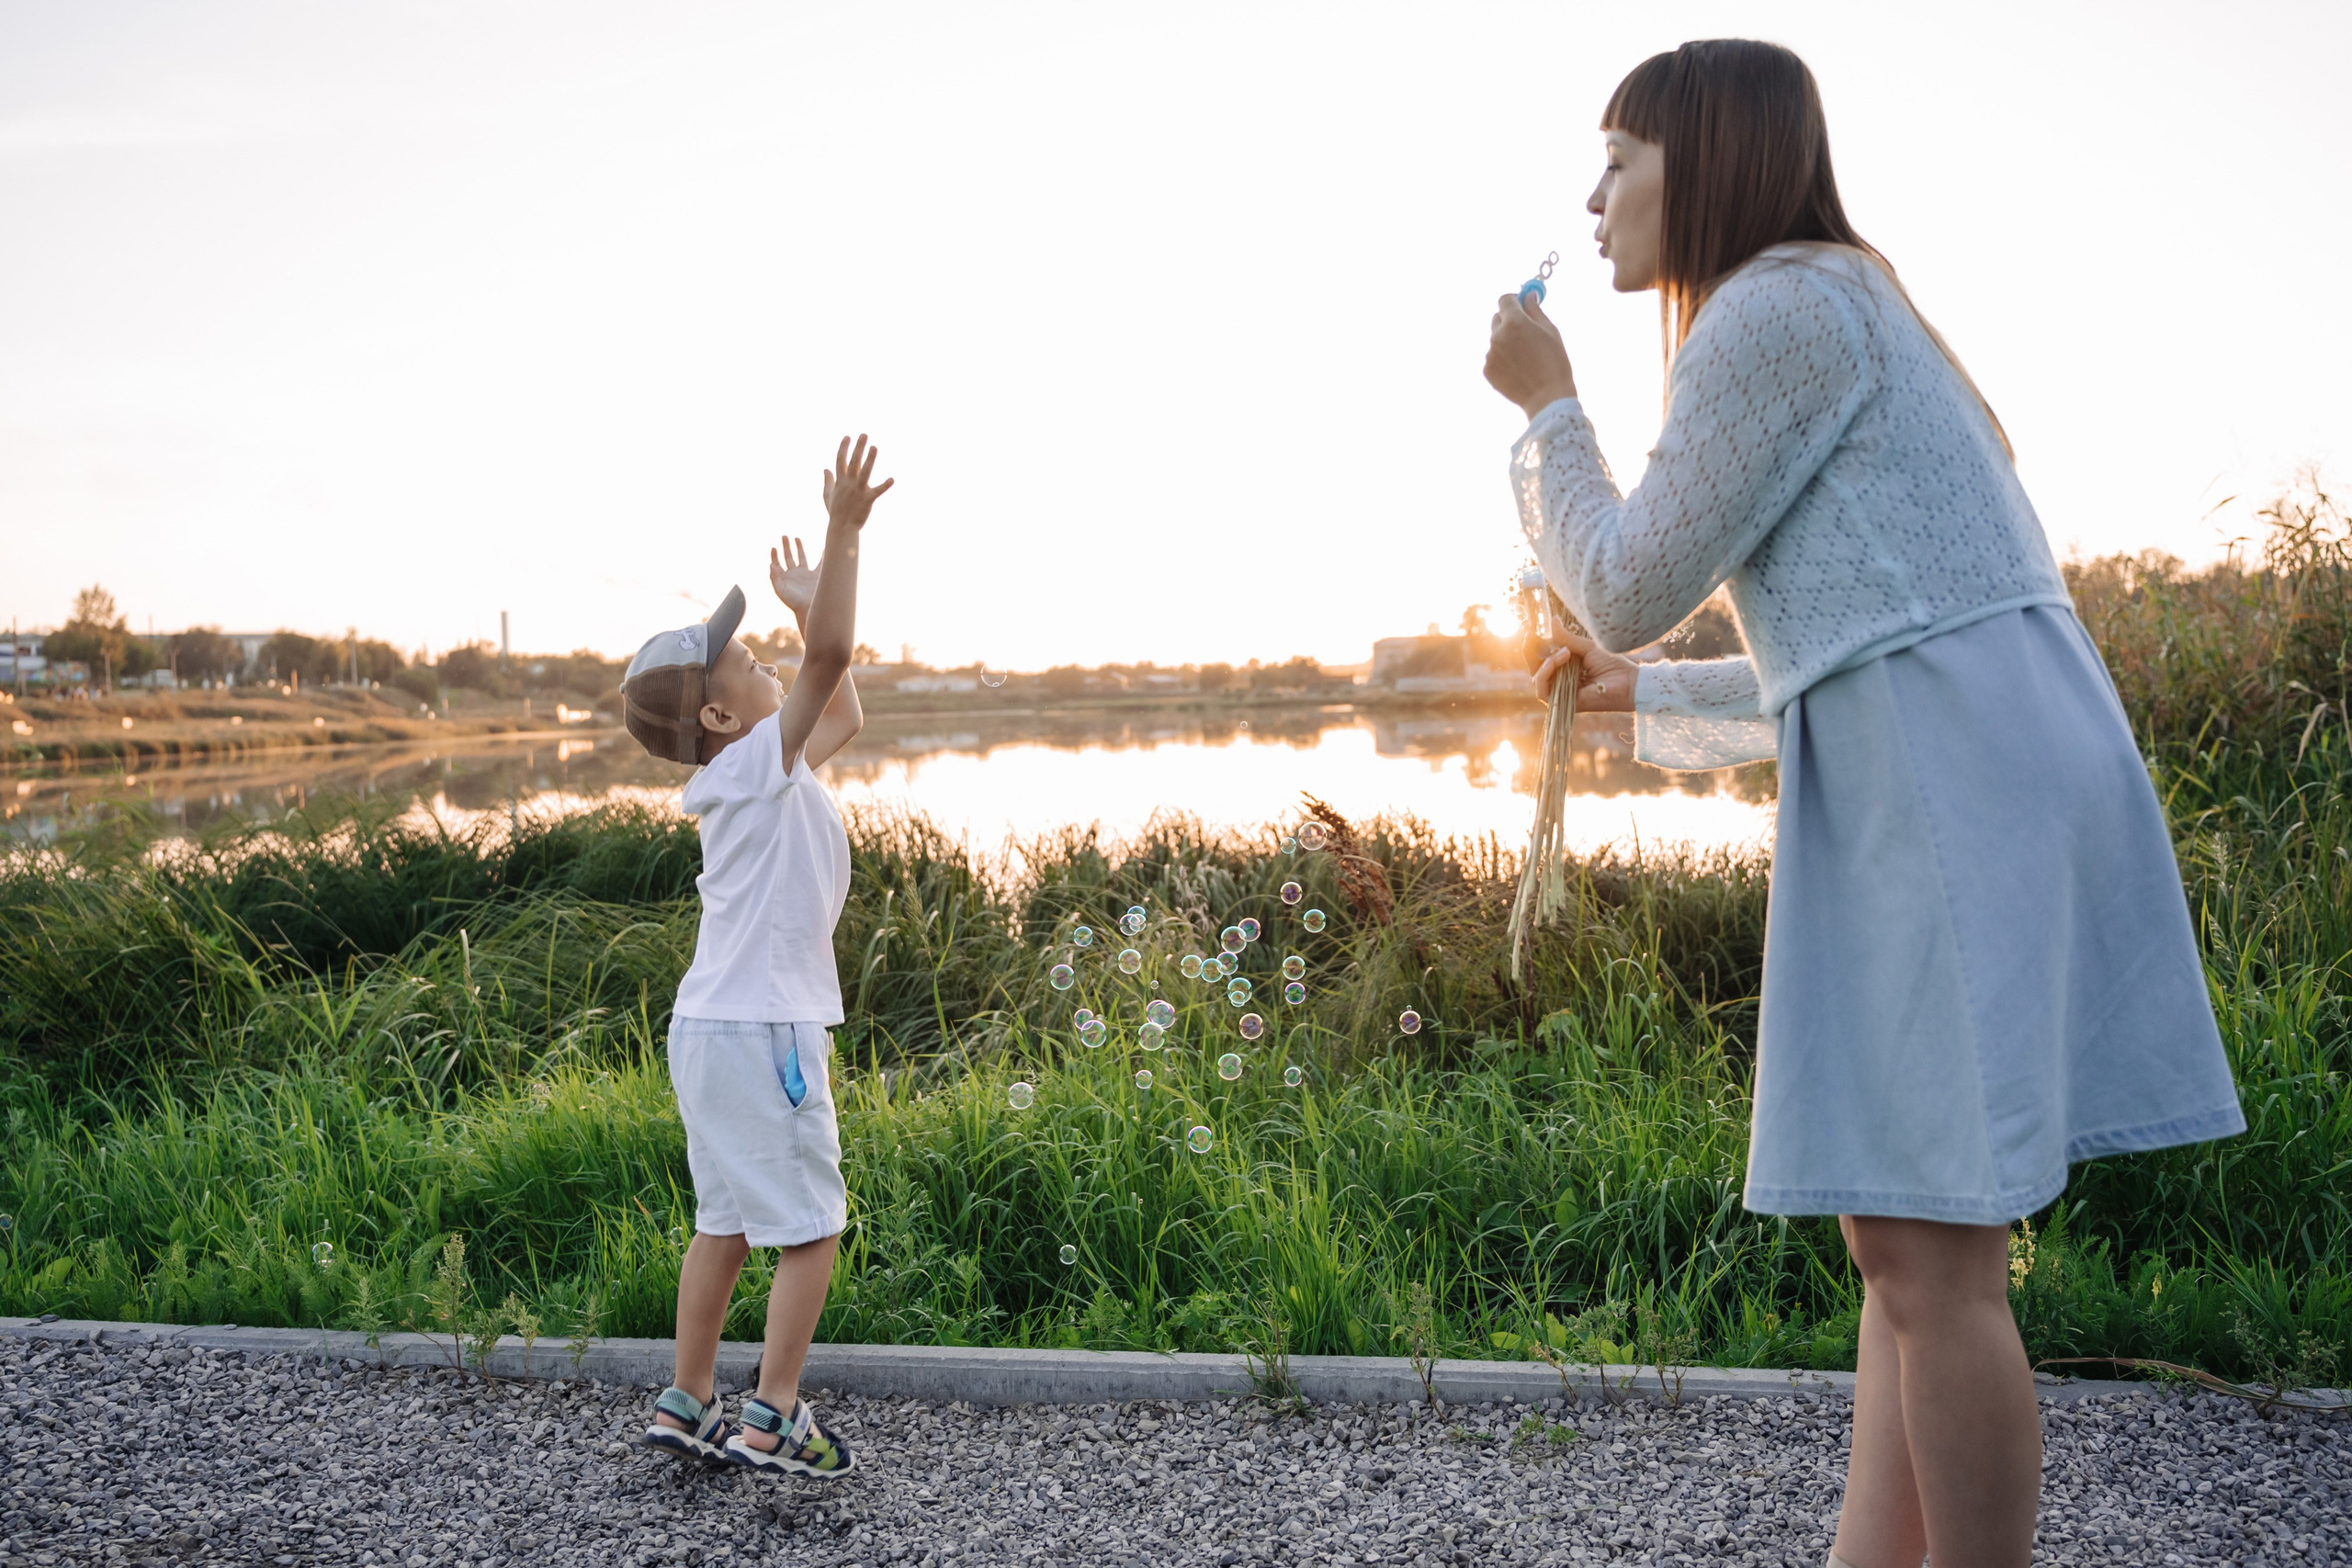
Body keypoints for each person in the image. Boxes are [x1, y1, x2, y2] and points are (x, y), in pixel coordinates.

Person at [1484, 41, 2243, 1568]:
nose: (1596, 196)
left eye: (1620, 158)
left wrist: (1548, 408)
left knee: (1928, 1254)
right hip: (1964, 746)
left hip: (1949, 777)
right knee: (1903, 1229)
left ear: (1710, 160)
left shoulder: (1772, 308)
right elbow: (1863, 633)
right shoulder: (1840, 296)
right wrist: (1650, 700)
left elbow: (1624, 582)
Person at [616, 434, 892, 1480]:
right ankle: (773, 1415)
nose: (765, 654)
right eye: (742, 659)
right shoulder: (754, 765)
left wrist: (803, 610)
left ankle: (687, 1398)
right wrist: (844, 534)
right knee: (812, 1228)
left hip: (708, 1029)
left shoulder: (754, 773)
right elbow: (829, 664)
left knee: (724, 1224)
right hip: (762, 1027)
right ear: (722, 715)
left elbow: (845, 703)